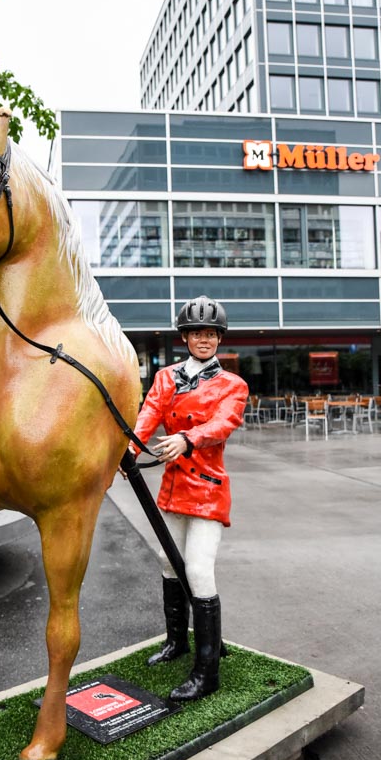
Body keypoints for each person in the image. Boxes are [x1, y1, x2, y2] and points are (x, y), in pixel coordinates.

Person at [128, 296, 248, 702]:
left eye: (211, 333)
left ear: (218, 338)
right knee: (167, 562)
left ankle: (207, 671)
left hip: (209, 490)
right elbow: (149, 413)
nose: (204, 339)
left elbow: (222, 423)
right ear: (185, 337)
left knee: (197, 569)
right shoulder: (166, 377)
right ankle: (176, 641)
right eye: (197, 332)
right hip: (173, 488)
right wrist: (130, 446)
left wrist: (186, 438)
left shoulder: (233, 384)